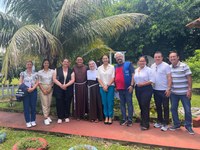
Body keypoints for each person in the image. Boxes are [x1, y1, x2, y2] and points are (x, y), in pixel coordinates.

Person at [168, 51, 194, 135]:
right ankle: (176, 124)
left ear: (178, 57)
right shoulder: (169, 67)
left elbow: (189, 78)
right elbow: (169, 79)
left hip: (184, 93)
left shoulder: (184, 66)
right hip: (174, 93)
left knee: (187, 110)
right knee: (173, 109)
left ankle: (188, 126)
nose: (172, 58)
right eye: (171, 57)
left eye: (174, 56)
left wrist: (189, 90)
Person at [151, 51, 172, 131]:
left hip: (164, 90)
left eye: (159, 57)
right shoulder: (153, 66)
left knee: (166, 107)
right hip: (155, 90)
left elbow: (169, 77)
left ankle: (165, 123)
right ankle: (159, 121)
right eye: (156, 57)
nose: (157, 58)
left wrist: (168, 88)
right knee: (158, 106)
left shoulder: (166, 66)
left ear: (162, 58)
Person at [114, 52, 134, 127]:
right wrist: (115, 86)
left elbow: (133, 75)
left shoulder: (128, 64)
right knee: (122, 104)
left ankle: (130, 120)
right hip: (119, 89)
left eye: (120, 56)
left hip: (128, 88)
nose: (119, 58)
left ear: (122, 57)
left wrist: (132, 85)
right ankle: (124, 119)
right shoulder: (115, 66)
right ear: (116, 59)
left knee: (129, 104)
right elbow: (115, 76)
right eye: (117, 57)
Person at [134, 56, 154, 130]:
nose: (141, 62)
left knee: (145, 105)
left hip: (146, 89)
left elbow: (152, 80)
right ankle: (143, 121)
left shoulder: (149, 70)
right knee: (141, 105)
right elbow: (134, 79)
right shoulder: (136, 70)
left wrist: (143, 84)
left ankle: (146, 124)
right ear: (138, 62)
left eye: (143, 61)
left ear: (146, 62)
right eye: (140, 61)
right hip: (138, 89)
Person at [53, 58, 75, 123]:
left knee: (67, 102)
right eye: (64, 62)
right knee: (59, 103)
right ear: (62, 62)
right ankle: (60, 117)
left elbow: (73, 79)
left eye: (67, 62)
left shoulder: (71, 71)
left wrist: (66, 85)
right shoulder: (57, 69)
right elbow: (54, 79)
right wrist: (61, 85)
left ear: (69, 63)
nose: (66, 63)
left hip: (68, 89)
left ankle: (66, 116)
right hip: (59, 89)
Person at [19, 60, 39, 128]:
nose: (29, 66)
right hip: (25, 92)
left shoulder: (36, 74)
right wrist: (27, 89)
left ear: (32, 65)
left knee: (33, 106)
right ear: (26, 65)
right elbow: (20, 83)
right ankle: (28, 121)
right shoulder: (22, 73)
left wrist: (32, 88)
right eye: (28, 64)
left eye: (30, 64)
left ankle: (33, 120)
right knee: (26, 107)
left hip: (33, 91)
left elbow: (37, 82)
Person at [97, 55, 115, 125]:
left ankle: (110, 117)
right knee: (104, 102)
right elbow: (98, 78)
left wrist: (107, 85)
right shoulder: (99, 68)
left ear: (108, 59)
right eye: (103, 58)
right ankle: (106, 116)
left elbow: (113, 77)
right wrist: (103, 86)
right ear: (102, 60)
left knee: (110, 102)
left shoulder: (112, 67)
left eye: (106, 58)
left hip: (110, 87)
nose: (105, 60)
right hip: (102, 87)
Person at [38, 59, 54, 125]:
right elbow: (39, 82)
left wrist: (50, 88)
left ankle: (47, 116)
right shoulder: (40, 72)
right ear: (43, 64)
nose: (46, 64)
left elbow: (53, 80)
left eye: (47, 63)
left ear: (49, 64)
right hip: (42, 87)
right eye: (45, 63)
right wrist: (43, 90)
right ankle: (45, 118)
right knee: (44, 103)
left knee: (49, 103)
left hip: (50, 87)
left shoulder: (52, 71)